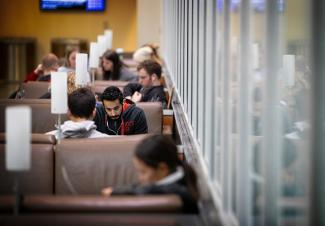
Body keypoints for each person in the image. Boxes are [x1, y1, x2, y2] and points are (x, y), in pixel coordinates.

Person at [101, 135, 199, 213]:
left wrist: (114, 193)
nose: (140, 178)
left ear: (162, 168)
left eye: (143, 172)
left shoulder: (179, 193)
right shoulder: (179, 173)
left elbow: (148, 191)